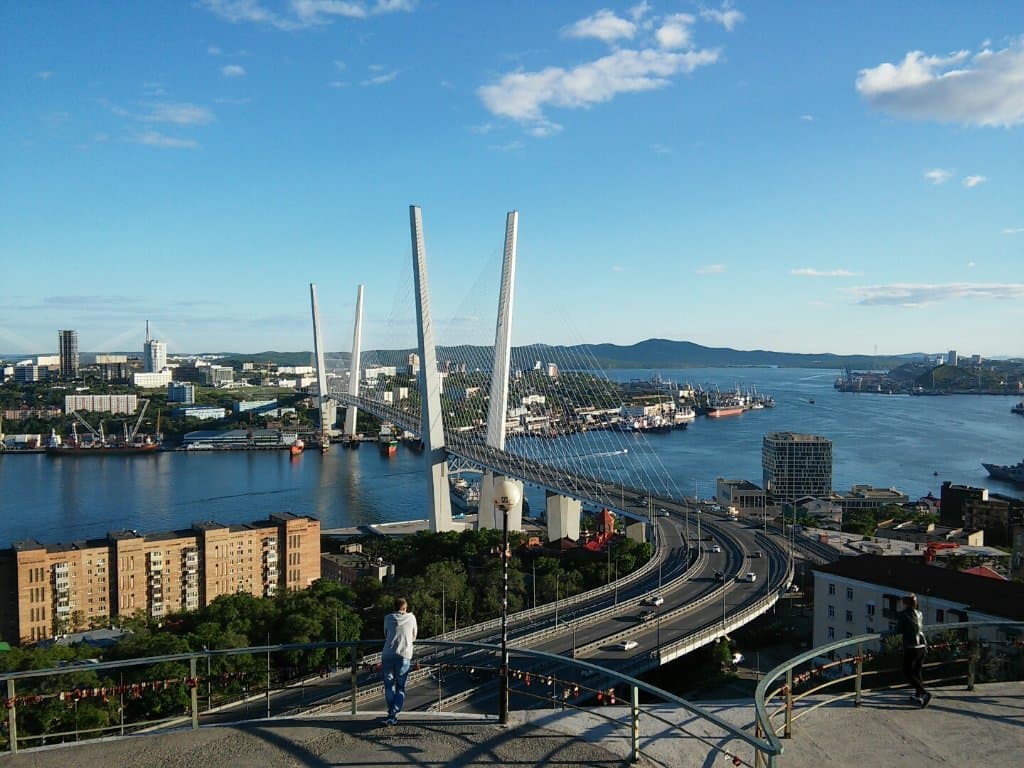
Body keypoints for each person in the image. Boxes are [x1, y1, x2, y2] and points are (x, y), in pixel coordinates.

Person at [381, 596, 418, 725]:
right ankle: (393, 713)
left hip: (387, 655)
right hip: (404, 656)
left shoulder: (387, 618)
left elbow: (386, 635)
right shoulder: (411, 618)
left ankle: (391, 714)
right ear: (405, 608)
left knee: (388, 686)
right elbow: (414, 636)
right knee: (400, 688)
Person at [896, 593, 931, 708]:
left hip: (912, 647)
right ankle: (919, 695)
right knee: (917, 671)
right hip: (922, 646)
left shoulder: (903, 614)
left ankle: (924, 693)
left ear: (905, 603)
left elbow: (899, 629)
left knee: (907, 671)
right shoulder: (919, 613)